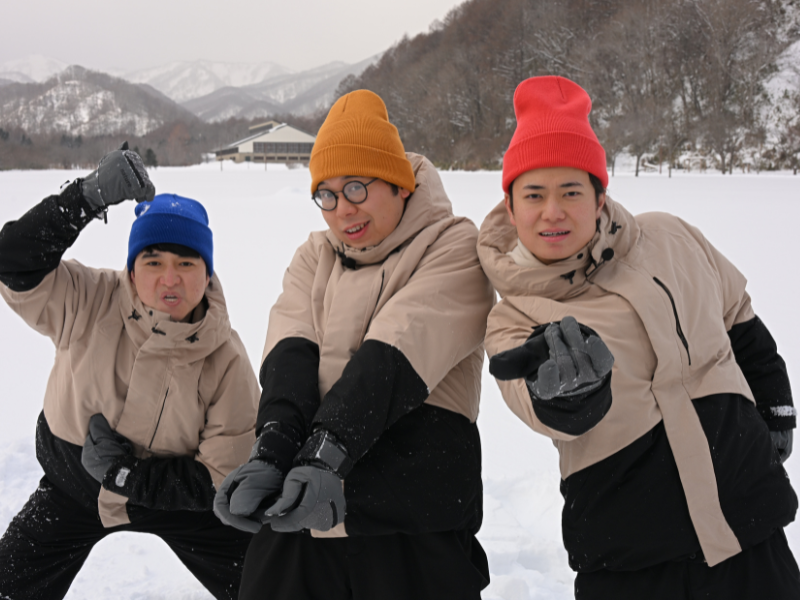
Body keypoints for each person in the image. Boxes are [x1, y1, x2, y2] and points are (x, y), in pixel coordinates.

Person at [478, 76, 799, 599]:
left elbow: (737, 313)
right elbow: (538, 406)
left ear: (600, 197)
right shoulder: (513, 317)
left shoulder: (669, 236)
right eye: (533, 194)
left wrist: (775, 400)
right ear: (511, 208)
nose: (552, 211)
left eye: (571, 192)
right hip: (630, 559)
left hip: (751, 529)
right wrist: (571, 398)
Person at [213, 90, 495, 600]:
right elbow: (289, 354)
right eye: (328, 194)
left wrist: (324, 456)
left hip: (411, 527)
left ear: (400, 185)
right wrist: (273, 449)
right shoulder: (313, 256)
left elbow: (392, 359)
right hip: (304, 511)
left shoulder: (453, 247)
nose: (343, 209)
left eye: (358, 187)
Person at [0, 145, 259, 600]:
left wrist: (126, 477)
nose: (169, 278)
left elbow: (223, 476)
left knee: (274, 582)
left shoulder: (228, 360)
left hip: (177, 504)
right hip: (72, 490)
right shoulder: (89, 299)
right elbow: (13, 261)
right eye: (153, 262)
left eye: (186, 263)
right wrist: (85, 197)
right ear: (132, 269)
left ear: (207, 273)